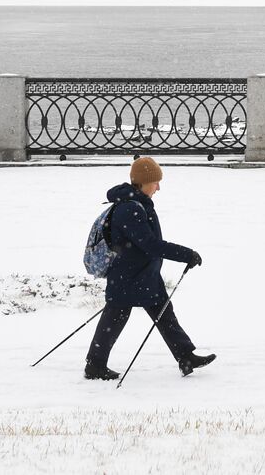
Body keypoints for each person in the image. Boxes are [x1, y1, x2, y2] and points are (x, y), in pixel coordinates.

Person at [83, 156, 216, 380]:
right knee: (114, 319)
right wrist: (186, 254)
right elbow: (150, 244)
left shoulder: (138, 205)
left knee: (165, 314)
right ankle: (95, 365)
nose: (158, 187)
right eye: (155, 182)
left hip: (144, 276)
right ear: (143, 182)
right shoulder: (130, 209)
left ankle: (185, 356)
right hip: (127, 277)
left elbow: (147, 245)